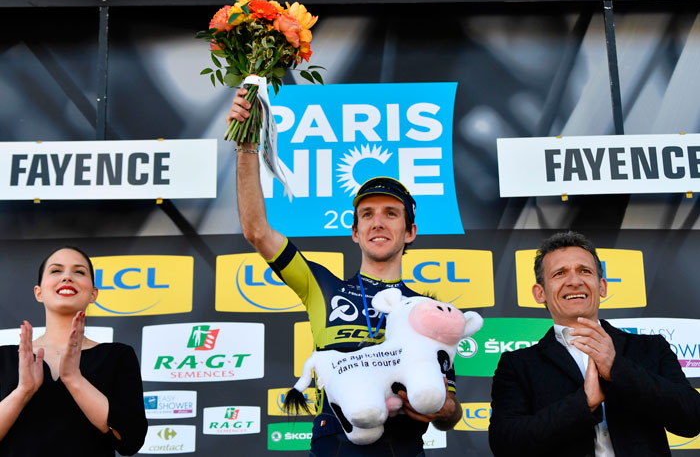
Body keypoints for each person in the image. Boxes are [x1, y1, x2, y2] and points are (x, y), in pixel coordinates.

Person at [227, 88, 462, 456]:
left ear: (410, 231)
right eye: (367, 215)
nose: (377, 223)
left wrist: (440, 408)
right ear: (354, 232)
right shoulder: (321, 285)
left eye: (391, 213)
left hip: (403, 445)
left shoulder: (426, 311)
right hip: (337, 442)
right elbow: (256, 230)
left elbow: (450, 409)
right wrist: (246, 145)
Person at [488, 231, 700, 456]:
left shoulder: (651, 348)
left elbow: (691, 419)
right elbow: (505, 444)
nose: (575, 281)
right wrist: (584, 403)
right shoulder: (518, 365)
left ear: (603, 287)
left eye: (584, 271)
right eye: (560, 273)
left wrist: (617, 368)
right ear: (540, 293)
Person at [0, 246, 148, 457]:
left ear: (93, 294)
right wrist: (23, 391)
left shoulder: (117, 356)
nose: (67, 277)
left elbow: (131, 440)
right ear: (38, 292)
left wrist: (74, 379)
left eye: (79, 272)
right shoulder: (4, 359)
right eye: (56, 271)